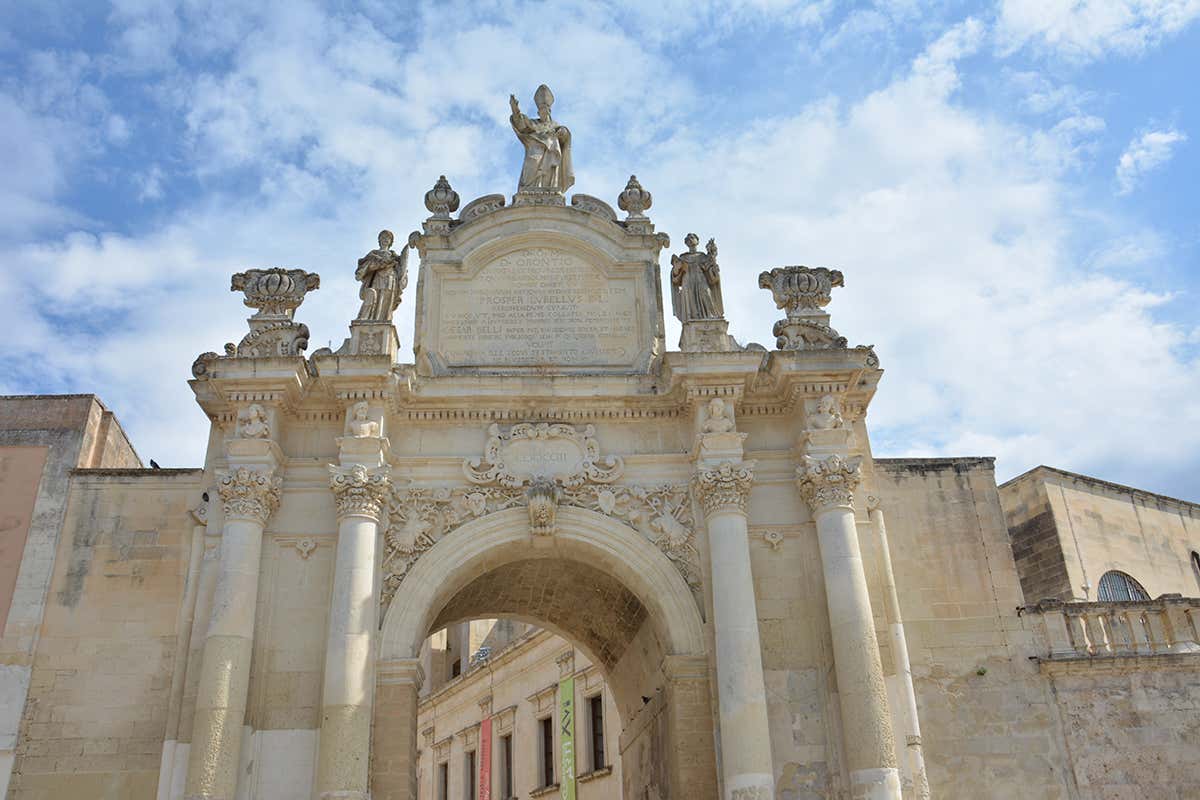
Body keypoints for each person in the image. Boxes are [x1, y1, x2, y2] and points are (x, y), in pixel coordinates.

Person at [509, 85, 574, 192]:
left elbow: (565, 136)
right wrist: (515, 111)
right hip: (534, 151)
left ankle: (550, 190)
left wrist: (563, 132)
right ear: (538, 113)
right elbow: (521, 125)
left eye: (545, 110)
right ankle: (528, 190)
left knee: (551, 168)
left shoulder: (555, 125)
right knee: (533, 162)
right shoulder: (533, 123)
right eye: (541, 110)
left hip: (551, 153)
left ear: (549, 111)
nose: (543, 112)